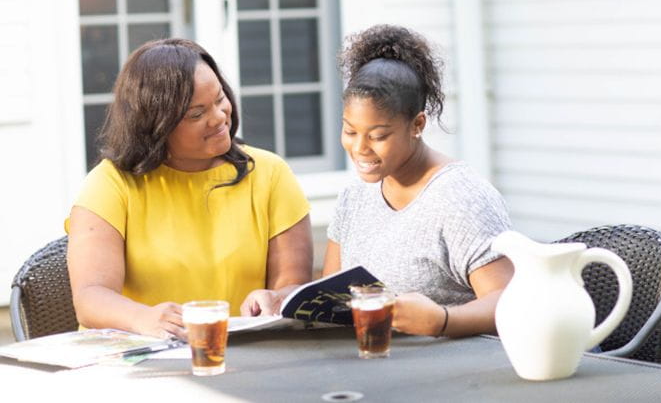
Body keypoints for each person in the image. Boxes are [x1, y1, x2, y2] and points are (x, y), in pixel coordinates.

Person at [246, 25, 513, 337]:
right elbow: (329, 300)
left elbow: (507, 298)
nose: (360, 148)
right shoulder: (355, 196)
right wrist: (278, 300)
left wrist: (442, 320)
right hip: (369, 363)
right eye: (350, 131)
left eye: (378, 135)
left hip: (448, 371)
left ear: (417, 124)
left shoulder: (461, 198)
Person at [66, 38, 313, 340]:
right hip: (141, 362)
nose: (220, 117)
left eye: (220, 99)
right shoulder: (110, 185)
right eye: (197, 114)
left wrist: (276, 299)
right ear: (156, 125)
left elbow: (293, 287)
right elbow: (91, 297)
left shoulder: (271, 174)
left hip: (242, 355)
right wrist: (143, 317)